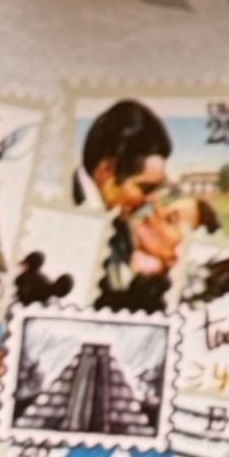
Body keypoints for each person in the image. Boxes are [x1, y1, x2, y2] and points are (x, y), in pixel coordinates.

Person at [73, 99, 212, 312]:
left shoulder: (121, 224)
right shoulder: (65, 218)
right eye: (144, 188)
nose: (151, 200)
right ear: (106, 170)